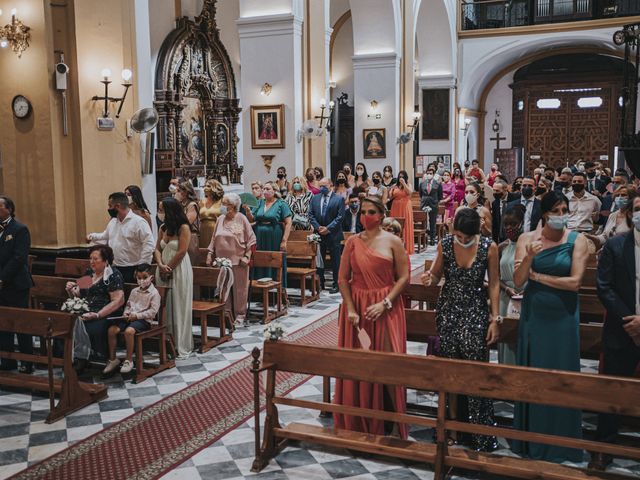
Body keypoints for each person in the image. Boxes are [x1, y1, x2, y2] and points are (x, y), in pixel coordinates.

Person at [512, 191, 588, 463]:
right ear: (544, 214)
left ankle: (563, 442)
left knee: (561, 373)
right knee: (535, 374)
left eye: (564, 210)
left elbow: (575, 282)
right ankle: (529, 439)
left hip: (563, 317)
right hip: (536, 315)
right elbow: (519, 281)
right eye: (556, 210)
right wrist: (530, 259)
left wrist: (539, 277)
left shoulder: (577, 240)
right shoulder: (526, 240)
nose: (561, 215)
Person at [421, 208, 500, 451]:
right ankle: (451, 427)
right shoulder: (445, 243)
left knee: (474, 371)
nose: (462, 240)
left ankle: (478, 430)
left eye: (467, 237)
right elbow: (435, 275)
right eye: (459, 236)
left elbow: (494, 284)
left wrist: (495, 318)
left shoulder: (489, 246)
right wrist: (430, 279)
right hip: (448, 311)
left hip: (475, 312)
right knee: (450, 370)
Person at [334, 196, 410, 439]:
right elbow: (342, 279)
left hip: (386, 308)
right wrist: (351, 308)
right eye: (363, 211)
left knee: (388, 363)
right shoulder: (353, 242)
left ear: (381, 214)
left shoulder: (393, 241)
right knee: (360, 363)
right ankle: (361, 416)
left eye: (371, 212)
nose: (366, 216)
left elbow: (404, 277)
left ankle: (392, 417)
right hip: (358, 309)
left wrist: (385, 303)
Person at [592, 195, 640, 470]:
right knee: (611, 391)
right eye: (638, 209)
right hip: (621, 330)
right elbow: (604, 286)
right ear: (631, 214)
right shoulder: (616, 245)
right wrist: (629, 321)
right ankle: (603, 447)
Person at [65, 245, 125, 372]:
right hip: (87, 311)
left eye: (95, 259)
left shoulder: (113, 275)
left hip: (107, 313)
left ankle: (107, 359)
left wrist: (98, 315)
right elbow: (79, 294)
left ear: (106, 260)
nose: (91, 261)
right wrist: (71, 290)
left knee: (93, 329)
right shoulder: (89, 273)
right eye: (90, 258)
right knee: (69, 326)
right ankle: (80, 358)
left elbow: (118, 301)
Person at [206, 193, 256, 327]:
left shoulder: (241, 218)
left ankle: (240, 314)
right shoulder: (220, 219)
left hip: (239, 261)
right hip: (222, 261)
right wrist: (210, 253)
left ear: (232, 206)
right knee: (224, 288)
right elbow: (213, 239)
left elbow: (251, 240)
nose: (222, 206)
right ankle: (227, 314)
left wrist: (247, 256)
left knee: (240, 289)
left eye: (224, 203)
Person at [103, 263, 160, 375]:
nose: (141, 280)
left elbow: (153, 312)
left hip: (144, 321)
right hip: (129, 318)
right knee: (112, 330)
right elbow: (128, 305)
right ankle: (113, 359)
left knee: (129, 332)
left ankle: (128, 360)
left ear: (151, 277)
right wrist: (126, 313)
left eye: (144, 277)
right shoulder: (134, 291)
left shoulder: (154, 293)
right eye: (139, 278)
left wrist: (137, 316)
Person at [154, 197, 193, 359]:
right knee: (165, 306)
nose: (160, 213)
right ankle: (166, 342)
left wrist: (169, 267)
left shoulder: (184, 228)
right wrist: (161, 265)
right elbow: (156, 249)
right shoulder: (162, 228)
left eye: (162, 209)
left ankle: (179, 343)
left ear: (170, 211)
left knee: (178, 304)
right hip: (162, 268)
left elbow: (182, 251)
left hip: (179, 269)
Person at [87, 192, 155, 283]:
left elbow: (149, 245)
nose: (108, 209)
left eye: (110, 206)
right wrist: (92, 237)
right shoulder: (113, 221)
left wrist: (141, 267)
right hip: (114, 267)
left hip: (132, 268)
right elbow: (105, 236)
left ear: (117, 206)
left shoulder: (139, 222)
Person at [0, 197, 34, 373]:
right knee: (3, 322)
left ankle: (27, 361)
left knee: (21, 323)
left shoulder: (20, 229)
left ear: (9, 209)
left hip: (16, 283)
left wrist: (2, 278)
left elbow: (19, 257)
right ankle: (7, 360)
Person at [247, 182, 292, 286]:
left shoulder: (281, 204)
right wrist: (248, 211)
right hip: (259, 235)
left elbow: (289, 222)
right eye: (264, 189)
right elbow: (252, 219)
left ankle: (277, 286)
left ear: (274, 191)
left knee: (273, 259)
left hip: (274, 236)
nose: (265, 191)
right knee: (259, 259)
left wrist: (284, 241)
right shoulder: (259, 202)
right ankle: (258, 287)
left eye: (268, 189)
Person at [497, 205, 526, 365]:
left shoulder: (529, 244)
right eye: (506, 224)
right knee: (506, 340)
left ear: (521, 223)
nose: (509, 228)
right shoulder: (502, 247)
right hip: (506, 296)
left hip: (525, 295)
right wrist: (506, 288)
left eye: (513, 224)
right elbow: (495, 277)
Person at [309, 178, 345, 294]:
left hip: (333, 234)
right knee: (320, 260)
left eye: (324, 186)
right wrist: (318, 227)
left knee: (335, 261)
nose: (321, 188)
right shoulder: (315, 198)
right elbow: (311, 215)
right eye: (320, 186)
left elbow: (340, 217)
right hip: (319, 233)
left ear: (330, 185)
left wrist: (328, 228)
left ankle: (336, 284)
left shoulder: (339, 199)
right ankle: (320, 283)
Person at [174, 181, 201, 265]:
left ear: (185, 192)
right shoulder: (181, 204)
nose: (176, 193)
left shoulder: (192, 205)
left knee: (190, 262)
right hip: (180, 235)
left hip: (190, 236)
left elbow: (187, 222)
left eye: (179, 191)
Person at [389, 170, 415, 253]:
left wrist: (404, 184)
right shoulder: (395, 186)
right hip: (395, 206)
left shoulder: (408, 184)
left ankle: (406, 247)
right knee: (395, 225)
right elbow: (390, 196)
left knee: (405, 225)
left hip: (405, 206)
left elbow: (410, 192)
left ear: (405, 178)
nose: (401, 178)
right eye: (400, 176)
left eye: (403, 177)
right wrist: (390, 190)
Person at [419, 167, 442, 245]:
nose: (429, 175)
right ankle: (423, 239)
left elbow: (440, 196)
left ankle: (432, 239)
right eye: (427, 173)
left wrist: (435, 202)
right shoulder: (422, 183)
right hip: (424, 203)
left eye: (430, 173)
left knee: (432, 222)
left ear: (433, 174)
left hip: (433, 204)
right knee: (423, 221)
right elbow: (420, 194)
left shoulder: (437, 183)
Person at [198, 179, 224, 248]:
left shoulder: (222, 201)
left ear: (215, 188)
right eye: (205, 186)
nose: (205, 188)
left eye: (208, 186)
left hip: (216, 229)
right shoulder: (202, 201)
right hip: (203, 229)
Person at [491, 179, 514, 244]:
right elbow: (495, 223)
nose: (495, 193)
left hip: (513, 235)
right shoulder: (495, 203)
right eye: (494, 190)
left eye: (497, 191)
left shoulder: (515, 198)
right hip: (501, 237)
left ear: (505, 189)